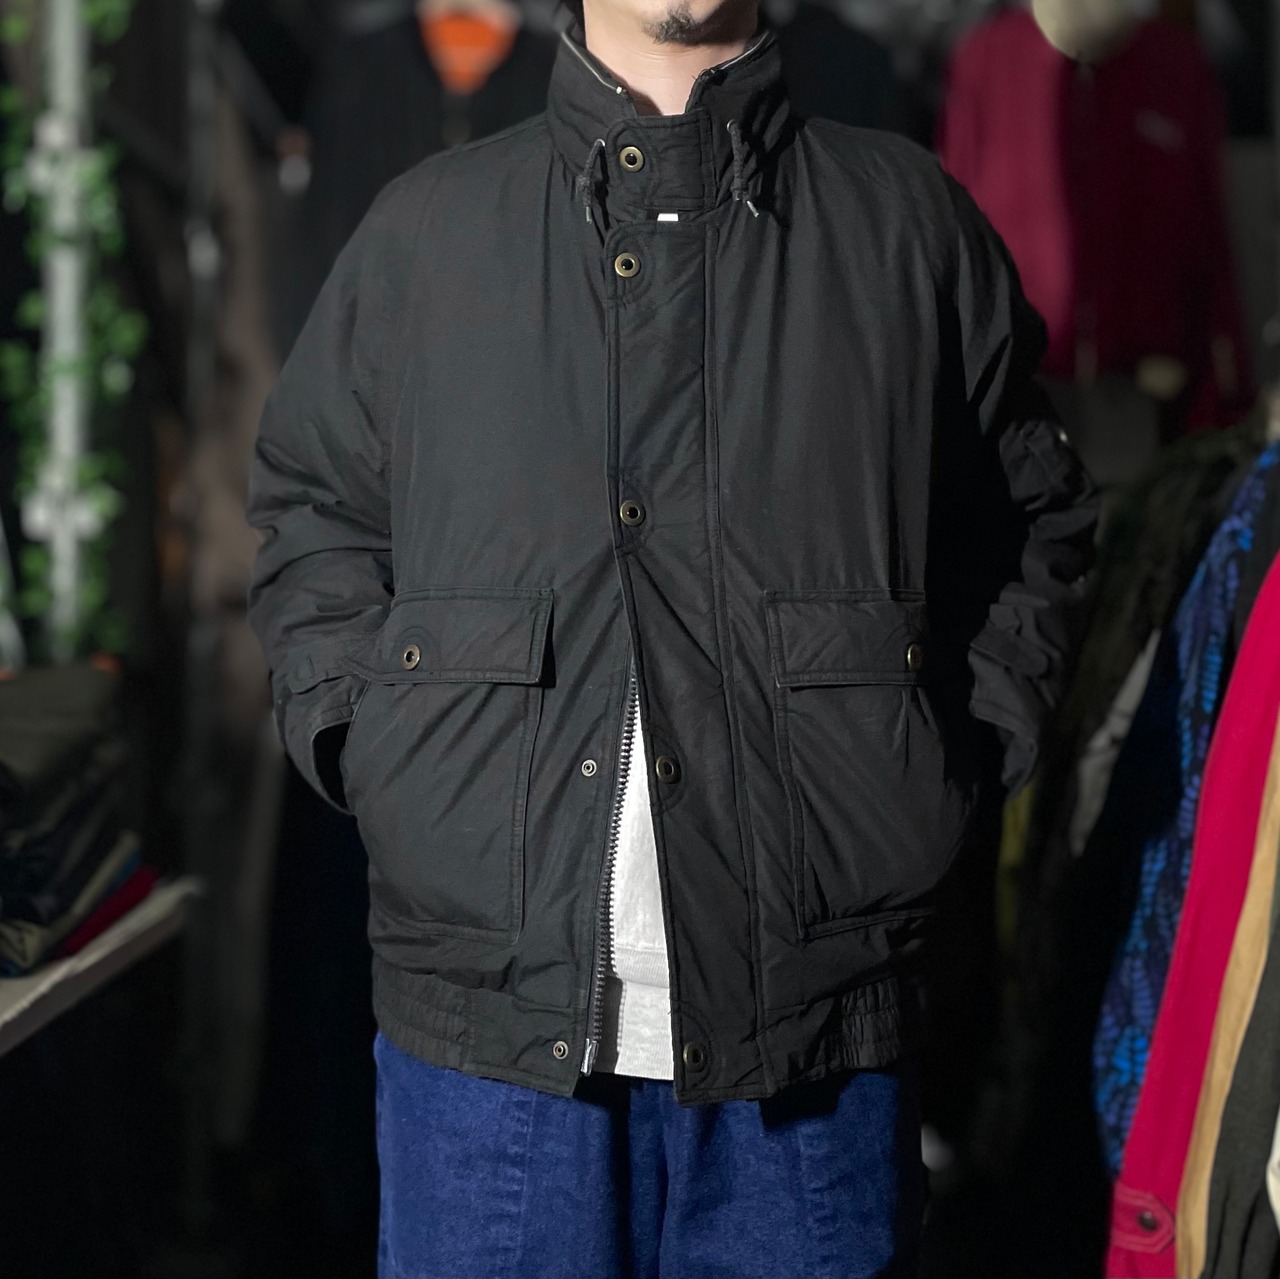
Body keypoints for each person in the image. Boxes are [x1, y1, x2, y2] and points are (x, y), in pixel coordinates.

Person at [245, 0, 1098, 1269]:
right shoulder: (426, 232)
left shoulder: (906, 225)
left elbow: (1029, 522)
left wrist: (937, 767)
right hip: (487, 1052)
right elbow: (315, 507)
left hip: (814, 1043)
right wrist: (382, 753)